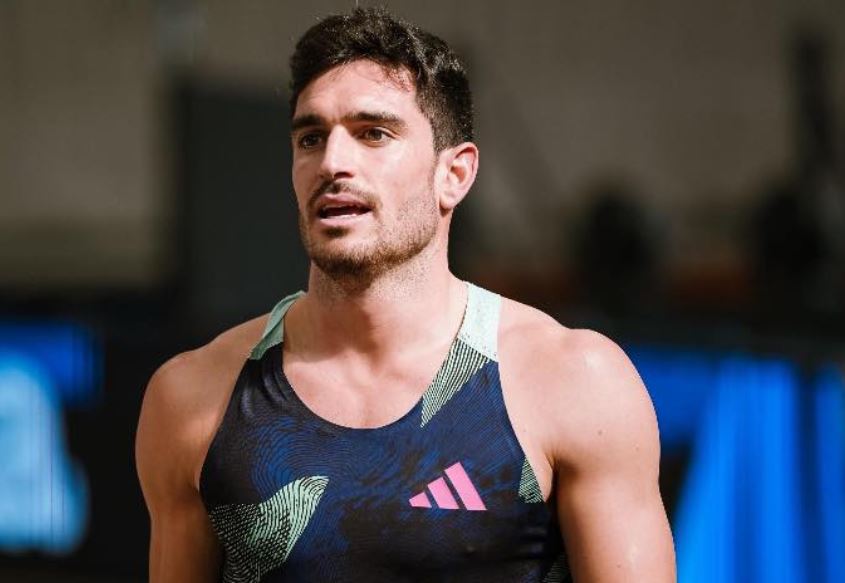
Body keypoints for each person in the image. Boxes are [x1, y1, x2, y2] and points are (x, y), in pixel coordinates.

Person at [136, 7, 676, 582]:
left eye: (374, 133)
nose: (332, 163)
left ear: (454, 175)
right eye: (311, 138)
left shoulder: (573, 381)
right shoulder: (195, 398)